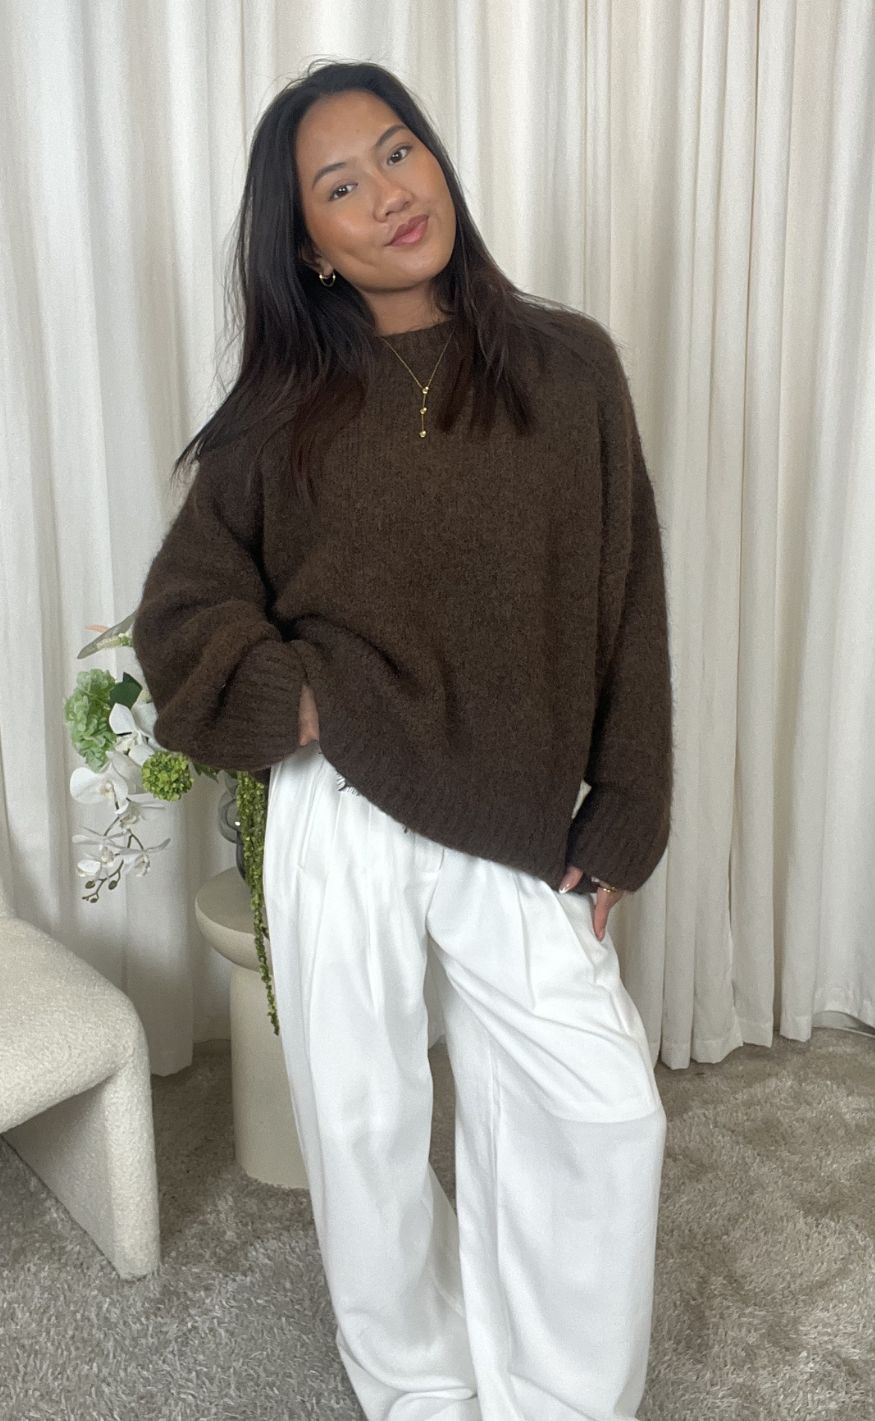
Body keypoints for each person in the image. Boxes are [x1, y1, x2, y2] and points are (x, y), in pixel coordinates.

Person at [132, 58, 674, 1421]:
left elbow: (630, 603)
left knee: (601, 1109)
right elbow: (184, 607)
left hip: (512, 806)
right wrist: (302, 703)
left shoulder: (570, 367)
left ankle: (560, 1398)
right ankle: (421, 1388)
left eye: (397, 151)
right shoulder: (281, 413)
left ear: (435, 158)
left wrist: (624, 813)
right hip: (343, 804)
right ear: (309, 245)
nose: (387, 193)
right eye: (340, 185)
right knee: (365, 1124)